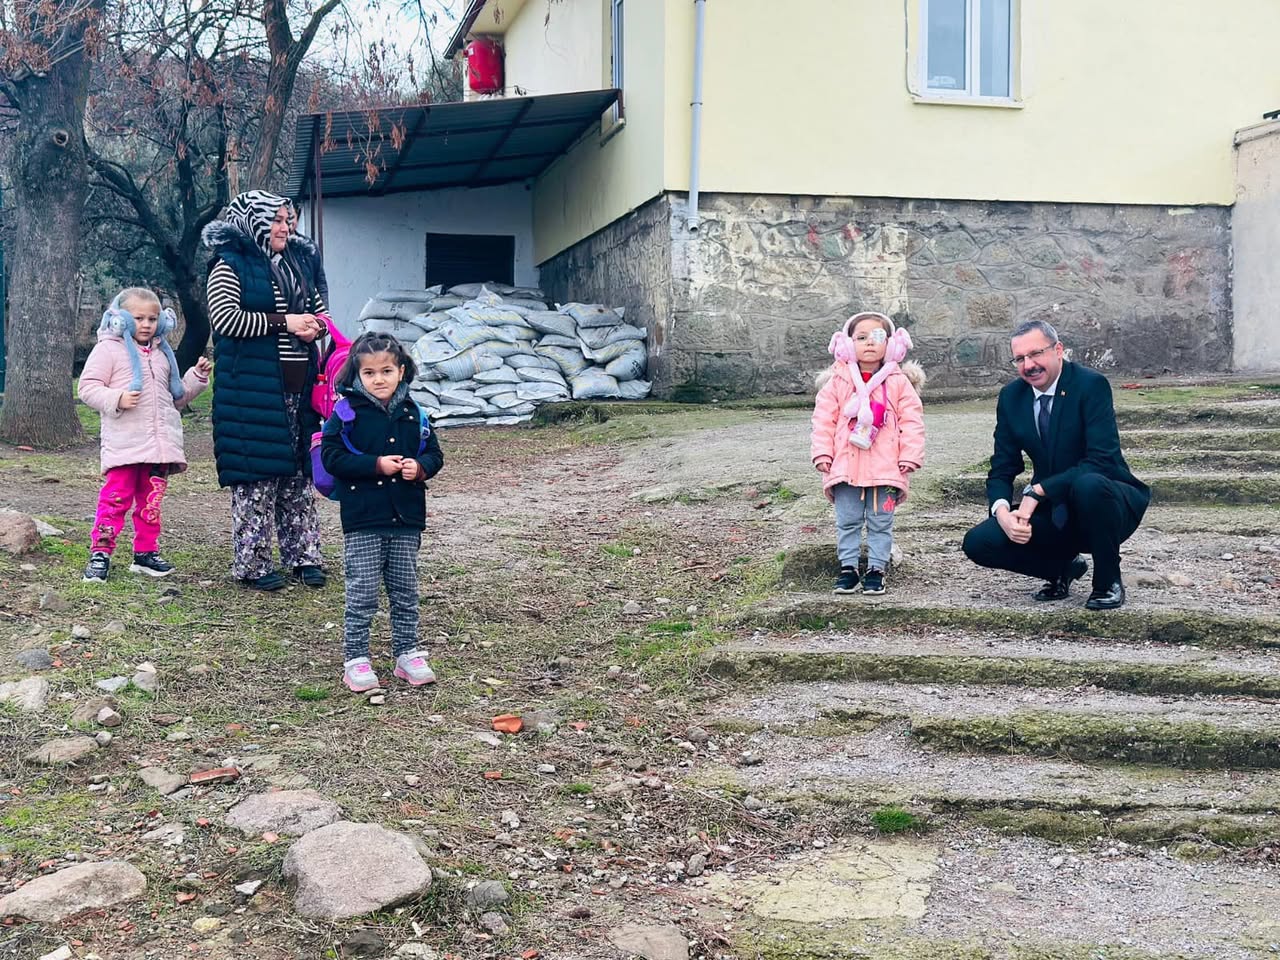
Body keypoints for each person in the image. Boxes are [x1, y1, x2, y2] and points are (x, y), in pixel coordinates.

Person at [961, 320, 1150, 610]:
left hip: (1107, 499)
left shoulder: (1090, 385)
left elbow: (1101, 460)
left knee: (1088, 485)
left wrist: (1037, 490)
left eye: (1036, 354)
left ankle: (1108, 579)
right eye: (1020, 359)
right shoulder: (1012, 397)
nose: (1029, 365)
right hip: (1055, 510)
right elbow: (1002, 465)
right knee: (978, 541)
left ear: (1058, 350)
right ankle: (1060, 568)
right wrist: (1002, 513)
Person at [203, 190, 329, 591]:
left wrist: (317, 326)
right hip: (252, 391)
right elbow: (227, 320)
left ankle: (304, 556)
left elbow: (319, 310)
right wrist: (287, 323)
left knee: (298, 473)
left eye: (288, 219)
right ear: (252, 221)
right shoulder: (229, 265)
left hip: (298, 387)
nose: (285, 227)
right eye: (275, 219)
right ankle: (253, 564)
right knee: (257, 477)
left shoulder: (296, 262)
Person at [321, 333, 444, 692]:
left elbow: (434, 454)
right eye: (370, 372)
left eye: (387, 370)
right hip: (363, 519)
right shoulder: (345, 413)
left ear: (401, 371)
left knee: (405, 589)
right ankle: (356, 658)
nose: (379, 379)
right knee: (362, 591)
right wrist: (375, 464)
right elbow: (332, 458)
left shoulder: (415, 413)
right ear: (357, 375)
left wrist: (419, 468)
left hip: (406, 517)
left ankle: (408, 653)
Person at [78, 288, 211, 582]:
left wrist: (196, 378)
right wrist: (116, 398)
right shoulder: (108, 349)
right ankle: (100, 552)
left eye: (152, 318)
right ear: (121, 319)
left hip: (159, 449)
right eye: (138, 318)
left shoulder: (164, 354)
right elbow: (87, 387)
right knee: (115, 501)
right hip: (125, 446)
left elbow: (175, 398)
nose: (147, 324)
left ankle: (145, 553)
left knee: (150, 504)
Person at [811, 311, 926, 595]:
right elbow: (823, 419)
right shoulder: (837, 382)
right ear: (848, 344)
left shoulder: (898, 382)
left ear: (892, 344)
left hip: (886, 468)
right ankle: (848, 567)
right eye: (861, 338)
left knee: (880, 521)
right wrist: (823, 453)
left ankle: (877, 567)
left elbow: (912, 420)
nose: (869, 344)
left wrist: (910, 455)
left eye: (877, 337)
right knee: (847, 520)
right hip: (845, 468)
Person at [285, 200, 329, 308]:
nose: (288, 223)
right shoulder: (271, 248)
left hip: (310, 309)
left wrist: (325, 312)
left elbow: (320, 282)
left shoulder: (309, 247)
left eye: (291, 217)